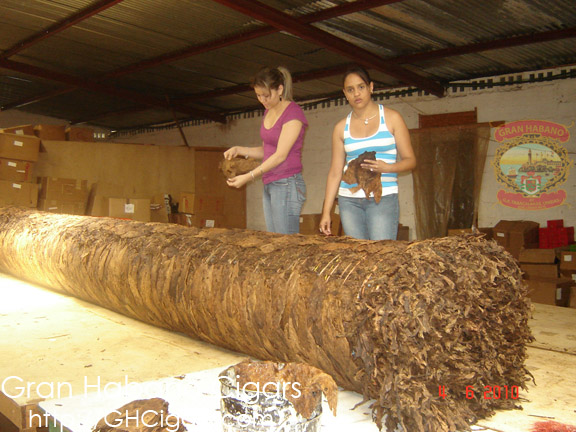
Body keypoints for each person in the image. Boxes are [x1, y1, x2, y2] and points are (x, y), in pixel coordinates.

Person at [319, 65, 416, 240]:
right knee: (358, 258)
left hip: (383, 197)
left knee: (382, 257)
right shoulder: (341, 128)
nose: (356, 93)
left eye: (361, 87)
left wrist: (388, 167)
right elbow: (335, 173)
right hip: (349, 201)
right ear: (345, 94)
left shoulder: (392, 118)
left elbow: (410, 160)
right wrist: (326, 212)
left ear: (371, 87)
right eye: (350, 90)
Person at [224, 66, 307, 234]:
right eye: (258, 95)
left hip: (287, 182)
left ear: (280, 89)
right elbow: (266, 151)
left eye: (267, 95)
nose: (263, 100)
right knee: (274, 240)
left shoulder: (293, 114)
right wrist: (239, 149)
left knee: (285, 243)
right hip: (270, 182)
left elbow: (280, 155)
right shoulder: (268, 112)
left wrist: (249, 176)